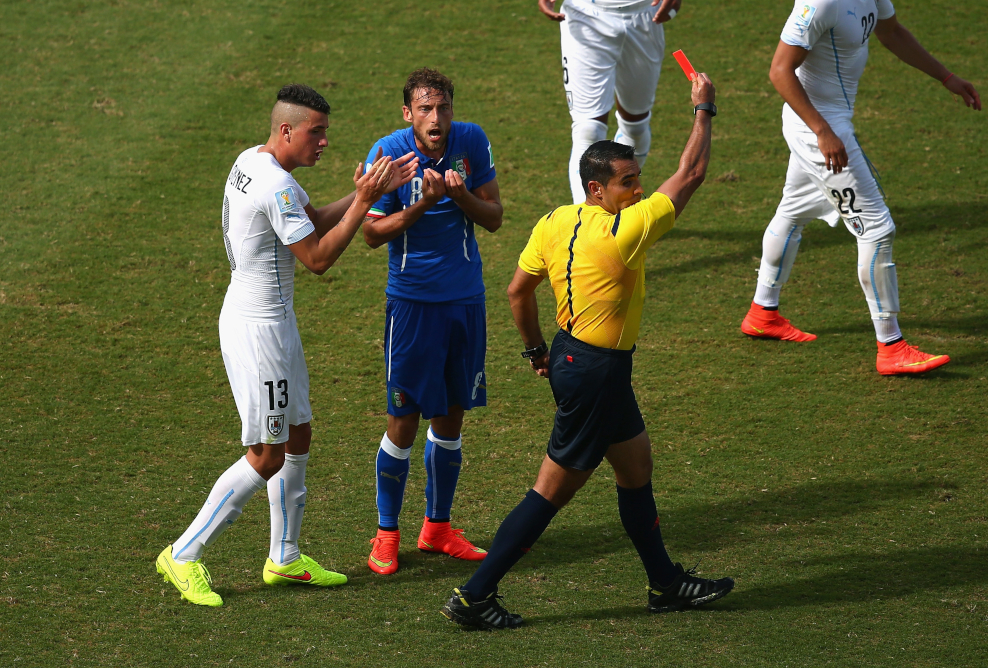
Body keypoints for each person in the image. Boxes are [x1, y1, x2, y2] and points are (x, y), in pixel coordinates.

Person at [441, 72, 732, 630]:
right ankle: (475, 594)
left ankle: (665, 583)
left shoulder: (555, 221)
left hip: (579, 361)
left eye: (638, 179)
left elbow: (517, 291)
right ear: (598, 190)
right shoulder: (626, 232)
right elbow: (692, 173)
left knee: (635, 465)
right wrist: (704, 110)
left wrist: (535, 351)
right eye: (627, 183)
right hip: (595, 373)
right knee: (550, 492)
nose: (638, 190)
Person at [156, 84, 417, 607]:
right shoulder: (274, 186)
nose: (323, 142)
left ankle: (285, 556)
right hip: (260, 335)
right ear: (286, 130)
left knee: (299, 434)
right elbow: (317, 257)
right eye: (316, 133)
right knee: (267, 454)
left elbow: (313, 218)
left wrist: (363, 192)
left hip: (272, 323)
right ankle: (183, 554)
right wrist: (366, 202)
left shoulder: (253, 160)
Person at [740, 0, 982, 376]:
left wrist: (946, 77)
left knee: (795, 210)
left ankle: (762, 313)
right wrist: (823, 130)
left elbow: (891, 32)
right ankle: (891, 346)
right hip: (818, 126)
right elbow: (779, 71)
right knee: (877, 227)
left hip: (828, 122)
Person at [361, 68, 504, 573]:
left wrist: (459, 195)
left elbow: (494, 216)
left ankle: (437, 528)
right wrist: (423, 202)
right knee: (402, 421)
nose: (436, 118)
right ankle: (386, 534)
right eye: (425, 109)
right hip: (413, 305)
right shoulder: (388, 153)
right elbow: (372, 234)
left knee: (450, 417)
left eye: (442, 107)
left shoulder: (472, 141)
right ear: (408, 113)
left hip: (465, 301)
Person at [532, 0, 709, 203]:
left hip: (644, 17)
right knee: (587, 127)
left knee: (636, 123)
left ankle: (623, 204)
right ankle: (586, 223)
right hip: (585, 18)